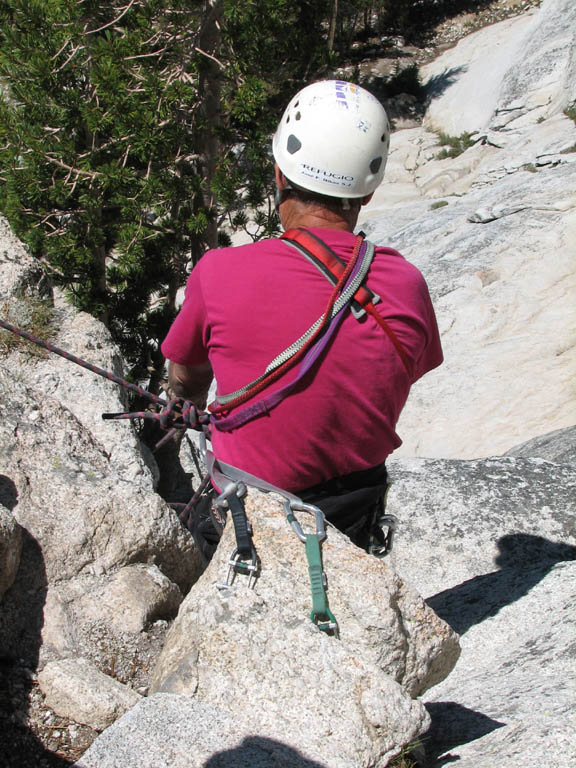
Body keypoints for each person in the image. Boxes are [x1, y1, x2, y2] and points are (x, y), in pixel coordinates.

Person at [161, 80, 443, 554]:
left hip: (246, 513)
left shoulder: (219, 272)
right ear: (367, 192)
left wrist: (186, 404)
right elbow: (394, 377)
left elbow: (185, 382)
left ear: (277, 174)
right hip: (353, 520)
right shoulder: (406, 285)